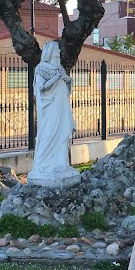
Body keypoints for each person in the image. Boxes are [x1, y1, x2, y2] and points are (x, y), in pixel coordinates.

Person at [28, 41, 80, 187]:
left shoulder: (60, 68)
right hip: (50, 110)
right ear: (50, 53)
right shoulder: (41, 69)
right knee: (49, 134)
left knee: (62, 134)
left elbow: (67, 84)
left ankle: (61, 164)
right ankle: (44, 164)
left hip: (62, 107)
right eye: (56, 51)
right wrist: (56, 78)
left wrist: (67, 79)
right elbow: (41, 88)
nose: (59, 53)